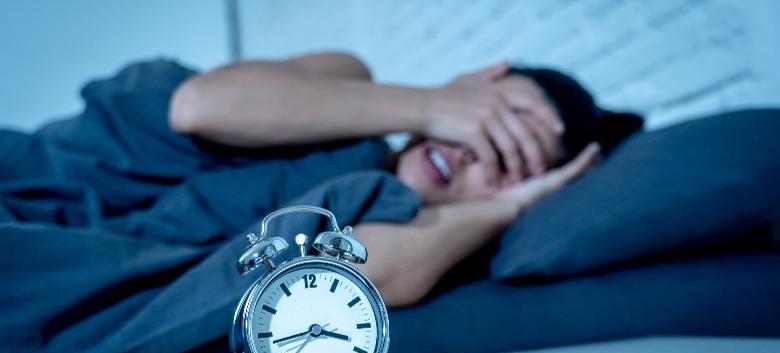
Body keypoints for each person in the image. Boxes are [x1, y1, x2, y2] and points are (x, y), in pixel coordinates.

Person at [168, 51, 641, 306]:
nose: (470, 144)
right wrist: (432, 103)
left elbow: (340, 282)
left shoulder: (411, 243)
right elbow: (197, 107)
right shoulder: (346, 77)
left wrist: (511, 206)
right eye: (484, 114)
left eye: (505, 154)